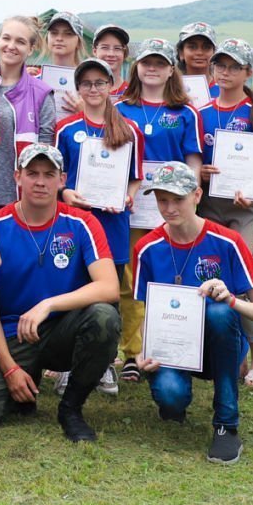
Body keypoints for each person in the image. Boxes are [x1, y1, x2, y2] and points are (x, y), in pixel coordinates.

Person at [0, 143, 120, 441]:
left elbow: (109, 287)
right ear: (17, 177)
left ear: (62, 180)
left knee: (104, 317)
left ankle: (71, 408)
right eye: (32, 173)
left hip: (63, 330)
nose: (41, 182)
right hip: (12, 333)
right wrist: (9, 370)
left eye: (49, 174)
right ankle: (23, 378)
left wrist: (48, 305)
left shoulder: (83, 223)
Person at [132, 162, 253, 465]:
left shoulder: (228, 242)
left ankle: (226, 424)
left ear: (197, 195)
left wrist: (232, 300)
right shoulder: (147, 248)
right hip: (173, 348)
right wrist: (141, 353)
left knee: (219, 314)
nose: (169, 208)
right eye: (162, 200)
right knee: (171, 398)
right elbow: (146, 313)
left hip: (218, 345)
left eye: (178, 199)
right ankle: (173, 397)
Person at [112, 36, 203, 383]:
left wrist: (191, 199)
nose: (152, 68)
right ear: (136, 67)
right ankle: (133, 353)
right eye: (146, 62)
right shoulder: (119, 108)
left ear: (170, 70)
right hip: (131, 207)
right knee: (131, 282)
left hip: (171, 207)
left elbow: (193, 159)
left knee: (170, 279)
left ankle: (171, 349)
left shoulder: (185, 112)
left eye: (159, 63)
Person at [53, 57, 145, 397]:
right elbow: (57, 177)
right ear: (78, 88)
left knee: (111, 294)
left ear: (110, 86)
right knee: (74, 288)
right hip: (75, 223)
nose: (93, 89)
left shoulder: (128, 129)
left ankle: (104, 362)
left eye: (100, 83)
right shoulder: (65, 129)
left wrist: (127, 195)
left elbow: (135, 176)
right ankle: (68, 363)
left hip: (113, 223)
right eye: (87, 83)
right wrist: (66, 193)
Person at [197, 38, 253, 389]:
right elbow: (193, 162)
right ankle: (234, 354)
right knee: (210, 278)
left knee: (240, 280)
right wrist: (200, 173)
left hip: (245, 212)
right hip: (208, 208)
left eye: (234, 66)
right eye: (220, 65)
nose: (225, 72)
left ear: (248, 71)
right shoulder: (201, 112)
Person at [0, 15, 53, 213]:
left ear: (30, 49)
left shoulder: (42, 93)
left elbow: (46, 153)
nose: (11, 46)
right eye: (6, 38)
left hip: (21, 199)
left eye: (20, 41)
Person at [36, 11, 90, 136]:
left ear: (78, 41)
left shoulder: (90, 84)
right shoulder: (35, 81)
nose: (59, 38)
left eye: (68, 34)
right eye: (54, 33)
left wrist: (86, 113)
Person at [177, 21, 219, 95]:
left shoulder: (225, 90)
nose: (199, 53)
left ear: (214, 52)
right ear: (181, 53)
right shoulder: (171, 90)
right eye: (192, 47)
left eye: (206, 47)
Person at [91, 23, 132, 91]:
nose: (111, 54)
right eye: (105, 47)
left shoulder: (132, 93)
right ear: (95, 51)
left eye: (117, 48)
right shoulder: (81, 91)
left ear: (124, 53)